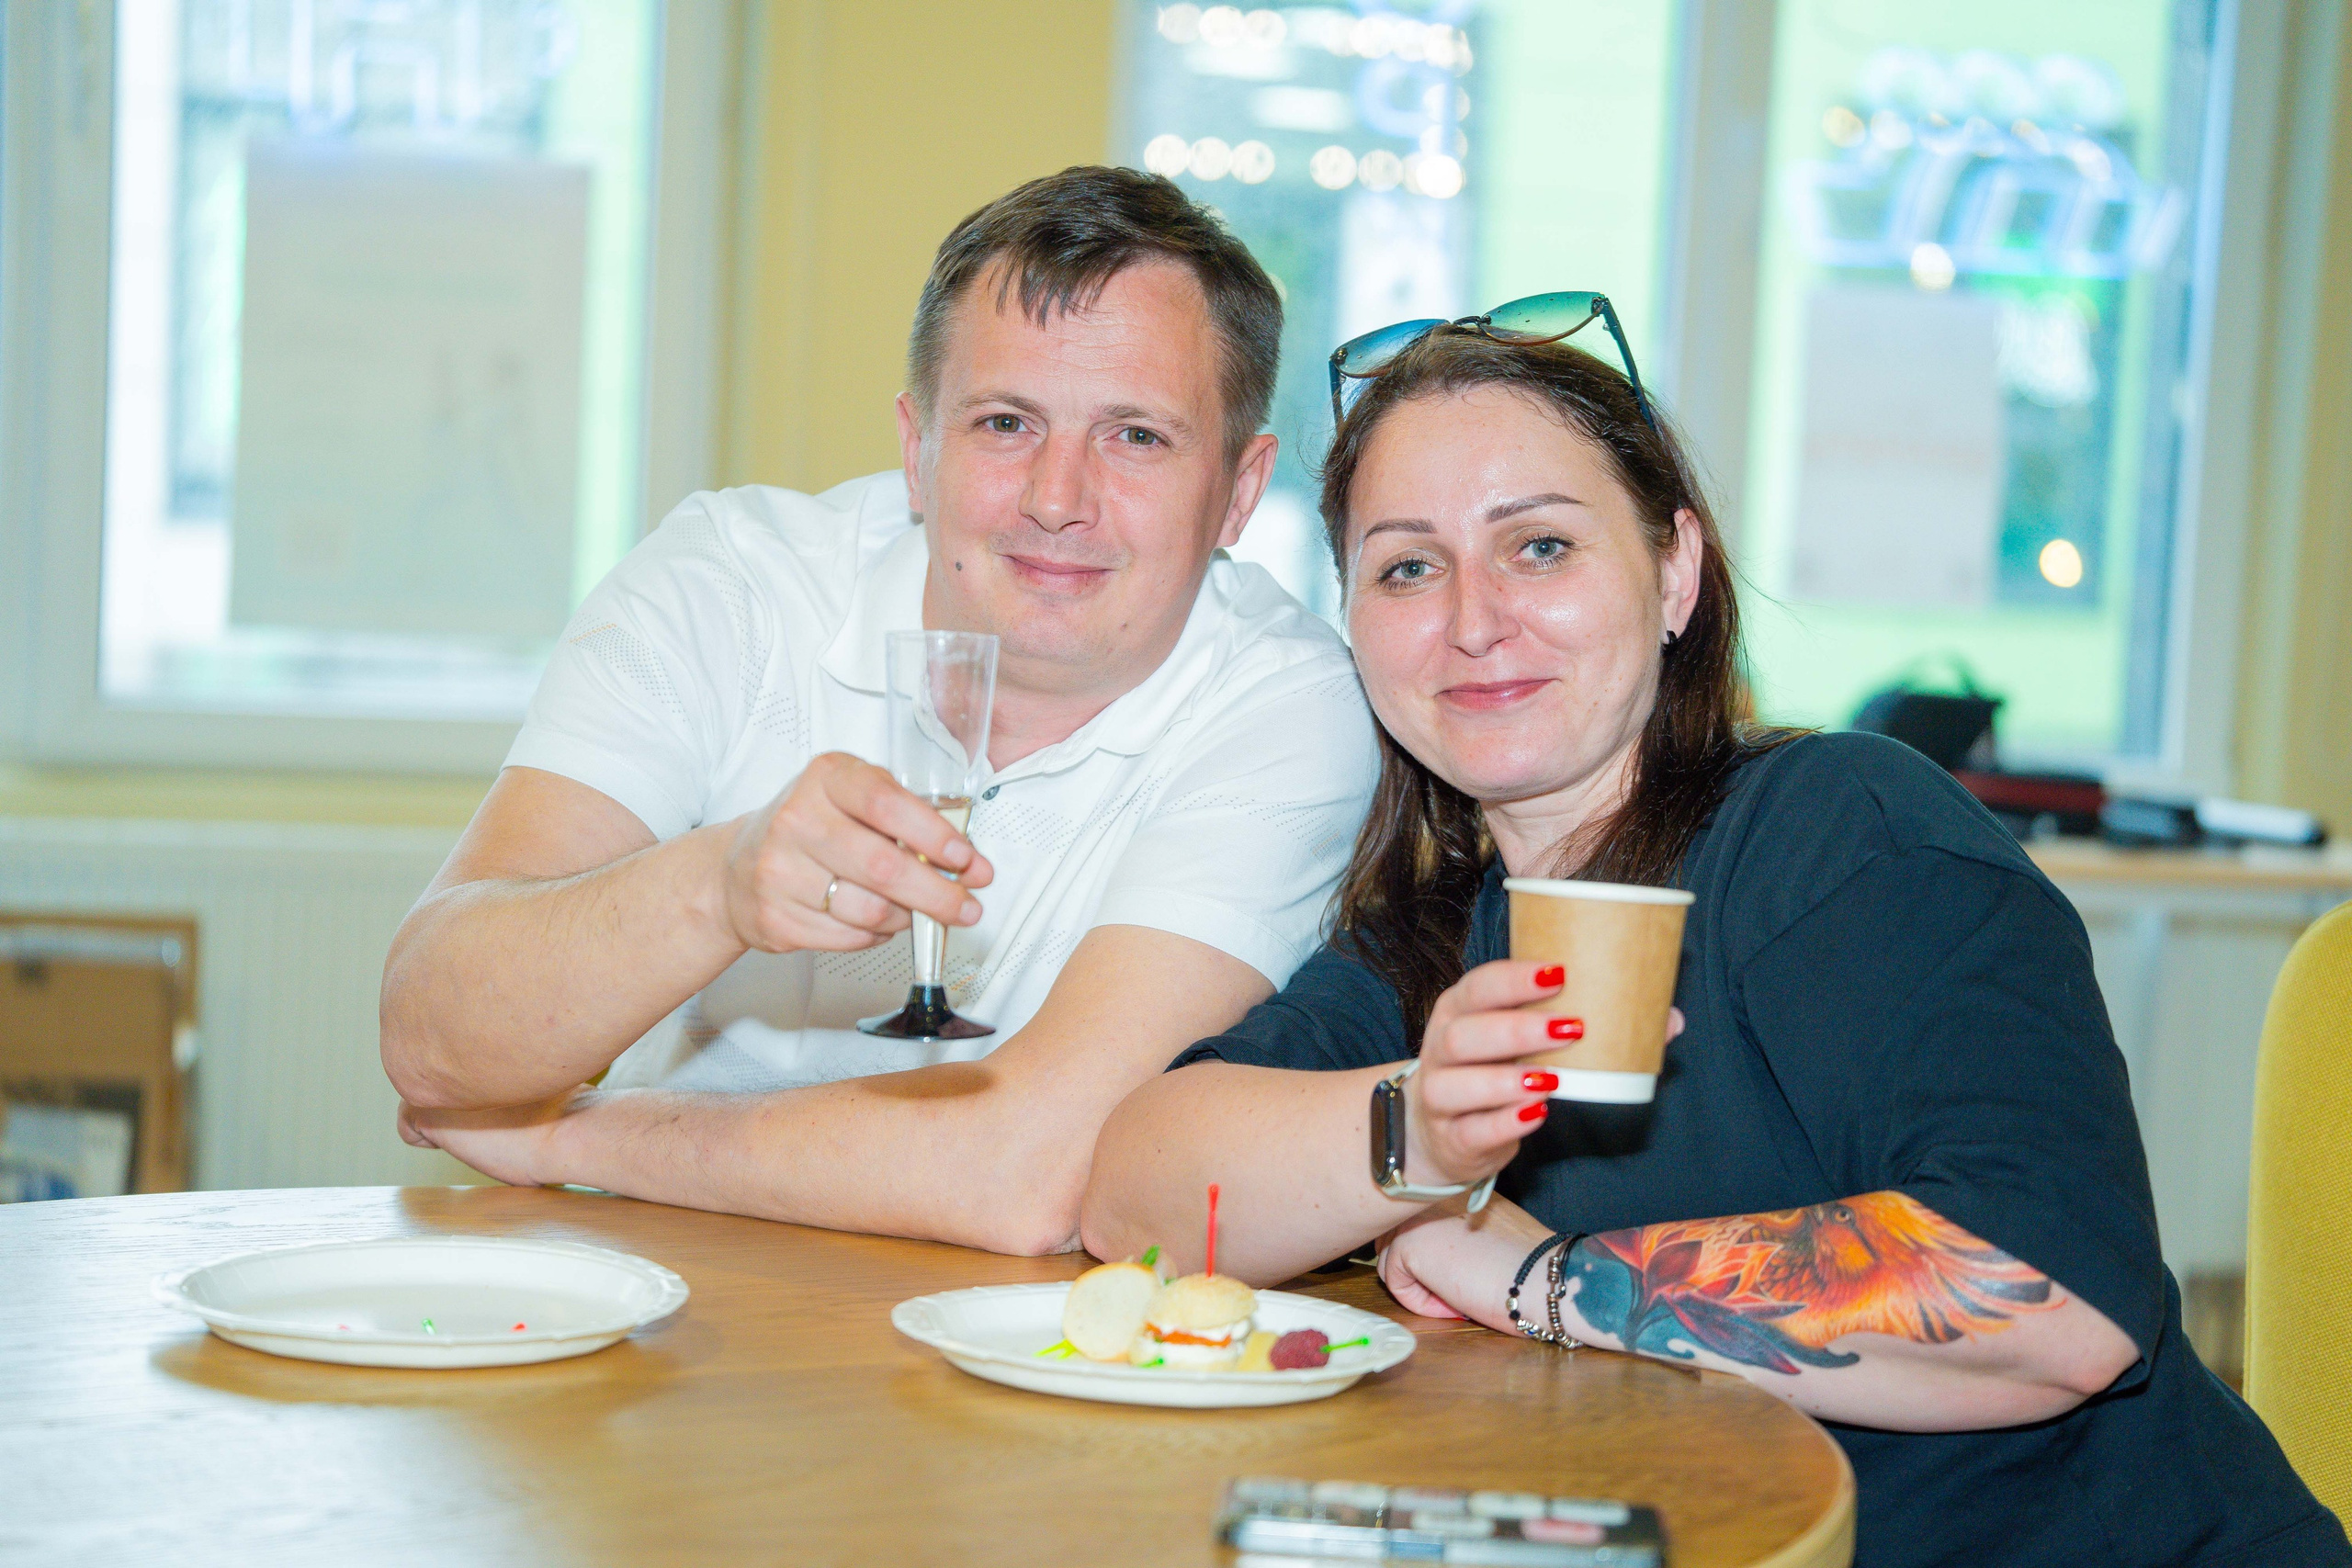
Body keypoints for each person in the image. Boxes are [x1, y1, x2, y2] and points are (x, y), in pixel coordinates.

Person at [1079, 321, 2346, 1564]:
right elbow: (1137, 1195)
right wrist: (1419, 1130)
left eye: (1540, 545)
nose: (1473, 619)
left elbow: (2054, 1301)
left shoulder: (1843, 831)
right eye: (1407, 567)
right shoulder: (1432, 924)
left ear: (1674, 572)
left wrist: (1548, 1278)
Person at [379, 166, 1376, 1257]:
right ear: (916, 449)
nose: (1057, 498)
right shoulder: (730, 586)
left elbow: (1029, 1176)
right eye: (1005, 422)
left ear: (1238, 491)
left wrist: (569, 1138)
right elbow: (431, 1036)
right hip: (659, 1298)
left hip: (1014, 1340)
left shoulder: (1289, 706)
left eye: (1135, 436)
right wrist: (716, 887)